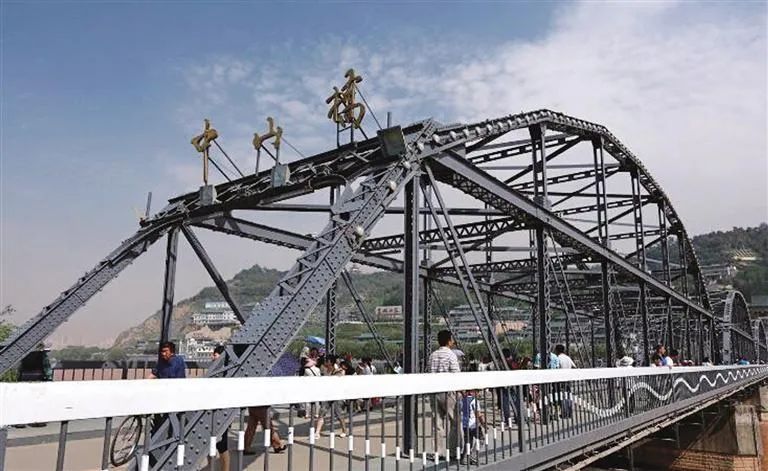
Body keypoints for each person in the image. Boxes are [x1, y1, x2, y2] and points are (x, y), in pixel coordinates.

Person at [429, 330, 462, 456]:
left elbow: (430, 372)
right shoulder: (451, 355)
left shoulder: (433, 355)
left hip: (434, 391)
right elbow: (456, 374)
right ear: (449, 341)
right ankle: (453, 451)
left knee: (437, 423)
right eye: (452, 339)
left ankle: (437, 452)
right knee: (455, 422)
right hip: (448, 392)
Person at [314, 355, 348, 439]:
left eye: (327, 361)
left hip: (336, 395)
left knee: (339, 413)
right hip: (327, 394)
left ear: (331, 362)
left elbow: (339, 382)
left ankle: (344, 430)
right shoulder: (325, 370)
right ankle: (317, 432)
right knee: (322, 412)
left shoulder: (338, 371)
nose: (325, 362)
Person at [209, 346, 230, 470]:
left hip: (221, 413)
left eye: (215, 354)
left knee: (222, 445)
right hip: (213, 412)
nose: (212, 357)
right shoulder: (216, 371)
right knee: (214, 445)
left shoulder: (225, 372)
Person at [460, 390, 484, 465]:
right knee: (481, 439)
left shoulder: (462, 400)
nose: (478, 393)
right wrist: (483, 423)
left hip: (465, 425)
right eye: (477, 392)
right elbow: (478, 414)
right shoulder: (474, 401)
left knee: (468, 442)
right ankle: (473, 456)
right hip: (473, 425)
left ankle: (464, 458)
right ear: (472, 392)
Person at [554, 345, 575, 419]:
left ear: (557, 350)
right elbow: (574, 366)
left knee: (563, 396)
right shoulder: (568, 358)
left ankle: (564, 413)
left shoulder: (558, 358)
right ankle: (569, 413)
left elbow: (556, 368)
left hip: (561, 379)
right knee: (569, 396)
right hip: (568, 379)